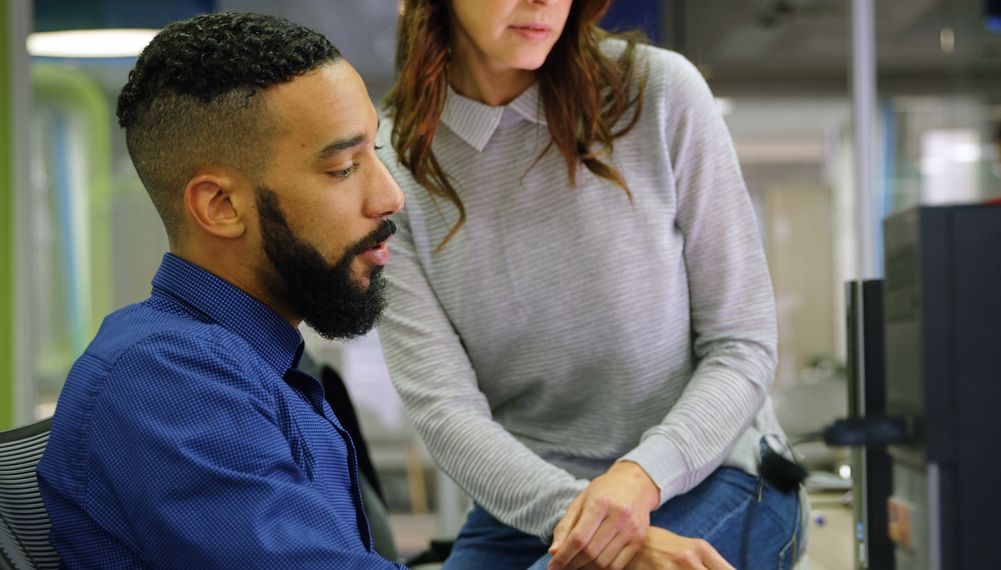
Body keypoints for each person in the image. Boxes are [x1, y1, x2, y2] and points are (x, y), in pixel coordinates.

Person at [376, 1, 804, 569]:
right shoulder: (391, 166)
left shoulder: (658, 91)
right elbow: (446, 411)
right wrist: (598, 520)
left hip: (717, 472)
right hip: (535, 506)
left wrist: (640, 478)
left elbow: (743, 343)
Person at [36, 12, 406, 569]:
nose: (390, 197)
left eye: (375, 153)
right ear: (221, 207)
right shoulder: (167, 380)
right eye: (342, 169)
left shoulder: (253, 365)